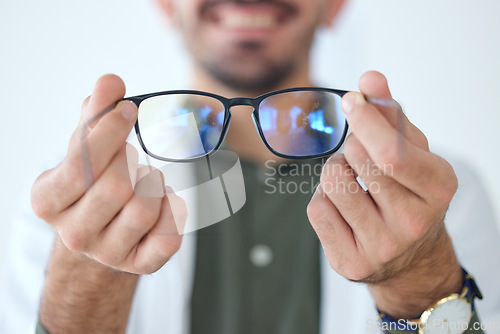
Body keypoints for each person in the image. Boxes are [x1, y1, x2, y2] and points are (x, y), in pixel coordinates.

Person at [1, 0, 499, 333]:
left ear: (335, 4)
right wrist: (85, 283)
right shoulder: (68, 199)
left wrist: (420, 282)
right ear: (167, 5)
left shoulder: (436, 193)